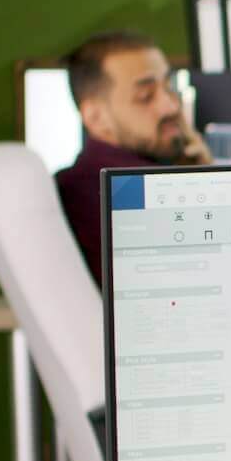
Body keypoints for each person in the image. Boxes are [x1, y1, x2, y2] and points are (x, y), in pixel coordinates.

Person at [54, 30, 208, 282]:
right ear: (96, 117)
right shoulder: (110, 191)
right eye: (146, 97)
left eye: (170, 88)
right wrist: (202, 186)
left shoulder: (83, 181)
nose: (171, 106)